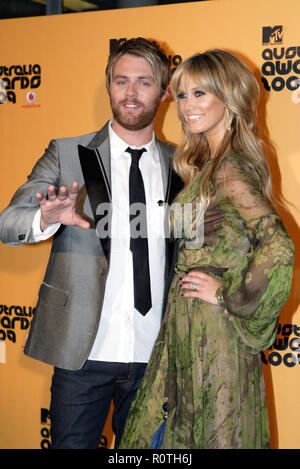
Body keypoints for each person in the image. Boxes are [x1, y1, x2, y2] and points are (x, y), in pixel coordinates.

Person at [0, 38, 183, 449]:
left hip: (157, 357)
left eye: (144, 82)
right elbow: (8, 224)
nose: (131, 93)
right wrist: (44, 217)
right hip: (83, 352)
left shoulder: (184, 163)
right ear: (108, 86)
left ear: (164, 90)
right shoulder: (67, 154)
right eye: (121, 81)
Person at [119, 49, 294, 449]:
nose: (186, 106)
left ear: (228, 97)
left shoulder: (230, 167)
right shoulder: (209, 165)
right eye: (181, 95)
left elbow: (278, 247)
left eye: (200, 94)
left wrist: (228, 295)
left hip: (213, 338)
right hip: (188, 330)